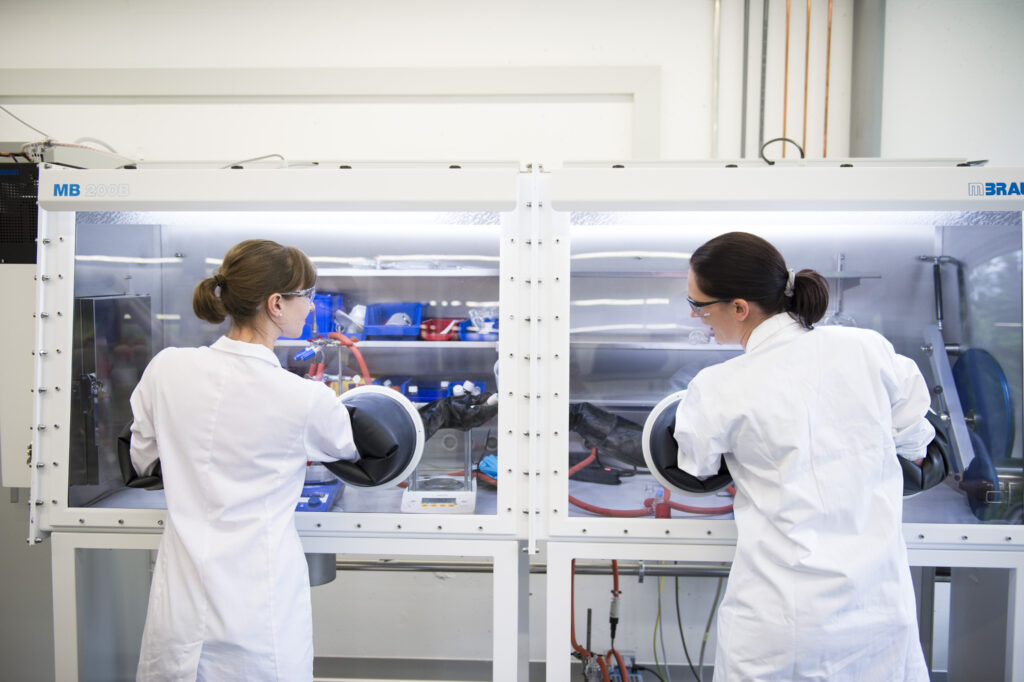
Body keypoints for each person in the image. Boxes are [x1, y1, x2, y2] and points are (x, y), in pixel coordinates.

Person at [673, 232, 932, 681]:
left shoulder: (717, 385)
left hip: (781, 620)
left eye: (699, 306)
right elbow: (916, 443)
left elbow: (695, 468)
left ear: (739, 308)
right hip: (876, 609)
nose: (697, 317)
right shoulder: (868, 348)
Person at [129, 239, 359, 681]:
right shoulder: (304, 398)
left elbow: (143, 459)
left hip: (181, 605)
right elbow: (349, 449)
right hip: (257, 614)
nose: (311, 308)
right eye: (306, 296)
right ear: (276, 304)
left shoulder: (166, 368)